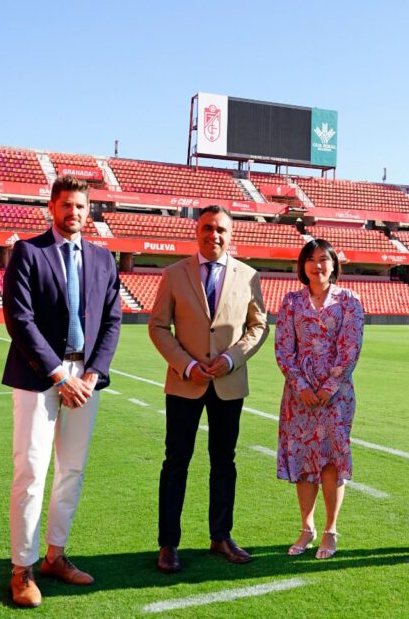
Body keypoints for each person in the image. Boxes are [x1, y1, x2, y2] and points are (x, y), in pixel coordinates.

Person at [1, 175, 123, 607]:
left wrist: (91, 375)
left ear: (90, 212)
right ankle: (22, 568)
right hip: (39, 377)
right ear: (52, 208)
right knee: (31, 472)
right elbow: (19, 319)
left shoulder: (103, 259)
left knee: (72, 470)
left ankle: (55, 555)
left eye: (81, 207)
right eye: (66, 205)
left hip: (85, 380)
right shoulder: (29, 252)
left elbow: (112, 322)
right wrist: (59, 374)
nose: (74, 213)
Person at [149, 205, 269, 572]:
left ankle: (221, 536)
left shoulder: (249, 275)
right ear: (196, 230)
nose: (213, 235)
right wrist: (186, 364)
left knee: (224, 461)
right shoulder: (173, 274)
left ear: (230, 234)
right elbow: (157, 327)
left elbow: (258, 326)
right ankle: (168, 543)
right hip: (185, 384)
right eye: (207, 228)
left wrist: (232, 359)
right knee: (176, 462)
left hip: (228, 384)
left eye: (220, 229)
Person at [274, 239, 364, 560]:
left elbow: (350, 349)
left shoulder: (349, 301)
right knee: (303, 459)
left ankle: (330, 529)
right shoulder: (291, 302)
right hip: (298, 396)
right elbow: (284, 348)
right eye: (310, 260)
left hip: (336, 398)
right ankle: (306, 526)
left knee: (330, 459)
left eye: (324, 259)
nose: (317, 265)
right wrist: (301, 386)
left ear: (334, 264)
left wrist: (327, 388)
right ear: (303, 265)